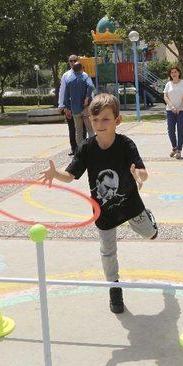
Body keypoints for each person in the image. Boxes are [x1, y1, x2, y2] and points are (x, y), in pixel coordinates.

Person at [40, 93, 158, 314]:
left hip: (130, 203)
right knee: (107, 251)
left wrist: (139, 176)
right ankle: (114, 288)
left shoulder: (125, 144)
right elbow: (71, 175)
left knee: (150, 234)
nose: (99, 124)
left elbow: (142, 172)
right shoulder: (86, 147)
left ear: (117, 120)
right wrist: (56, 174)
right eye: (95, 120)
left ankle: (147, 217)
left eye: (105, 119)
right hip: (102, 210)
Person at [58, 55, 85, 156]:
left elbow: (90, 89)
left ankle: (83, 148)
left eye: (75, 60)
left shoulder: (84, 75)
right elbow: (62, 91)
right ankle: (74, 149)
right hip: (70, 106)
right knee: (72, 128)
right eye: (71, 61)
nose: (73, 62)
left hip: (82, 106)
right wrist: (62, 105)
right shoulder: (66, 75)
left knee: (83, 128)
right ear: (69, 62)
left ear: (78, 61)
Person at [63, 62, 95, 150]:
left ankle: (80, 150)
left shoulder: (69, 80)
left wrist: (67, 108)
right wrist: (87, 97)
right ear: (82, 69)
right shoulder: (85, 77)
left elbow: (66, 96)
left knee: (78, 132)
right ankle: (94, 148)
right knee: (90, 129)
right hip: (85, 108)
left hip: (75, 109)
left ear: (73, 70)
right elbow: (91, 86)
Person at [163, 66, 183, 159]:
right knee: (170, 130)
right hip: (170, 110)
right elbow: (165, 96)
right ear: (170, 74)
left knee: (180, 130)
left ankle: (179, 150)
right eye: (172, 72)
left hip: (182, 110)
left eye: (175, 72)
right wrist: (172, 106)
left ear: (179, 73)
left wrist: (180, 107)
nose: (174, 74)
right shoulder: (168, 84)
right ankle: (174, 147)